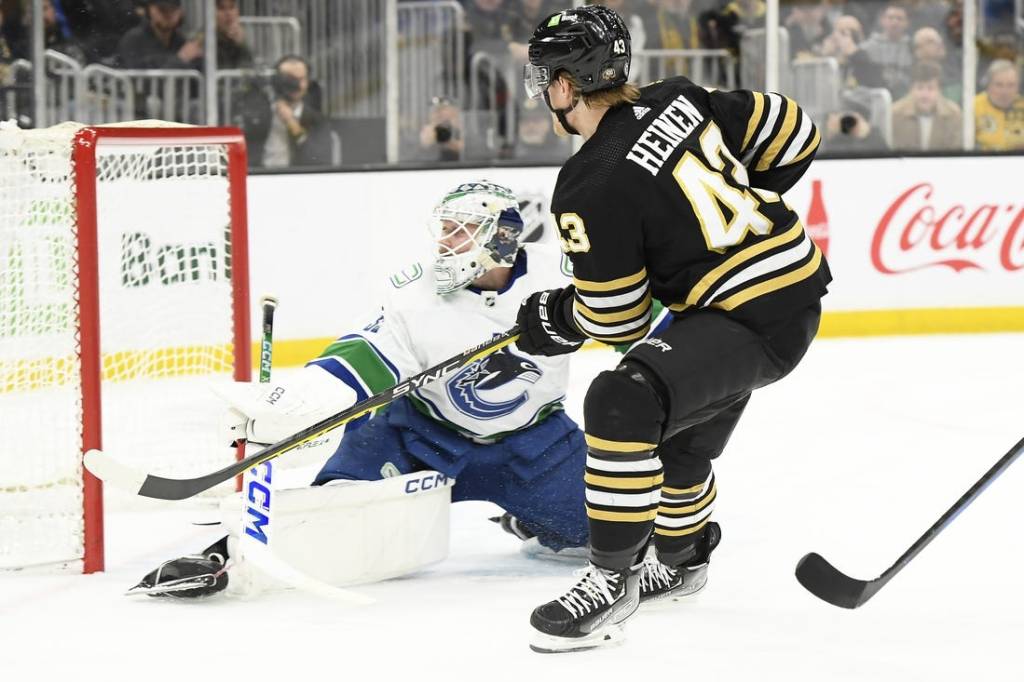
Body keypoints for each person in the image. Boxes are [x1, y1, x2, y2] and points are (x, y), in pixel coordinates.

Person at [519, 4, 830, 653]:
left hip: (748, 316)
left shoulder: (588, 182)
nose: (544, 91)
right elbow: (794, 130)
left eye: (546, 78)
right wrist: (747, 206)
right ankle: (681, 563)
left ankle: (612, 580)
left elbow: (616, 318)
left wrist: (554, 317)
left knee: (621, 400)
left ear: (567, 86)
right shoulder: (679, 98)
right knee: (676, 432)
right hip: (787, 291)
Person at [133, 181, 590, 598]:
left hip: (537, 445)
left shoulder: (564, 275)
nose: (444, 243)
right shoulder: (416, 292)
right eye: (445, 230)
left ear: (502, 236)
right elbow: (365, 352)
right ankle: (223, 555)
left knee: (606, 529)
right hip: (420, 438)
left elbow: (630, 313)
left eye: (460, 231)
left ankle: (530, 517)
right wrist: (295, 401)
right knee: (336, 509)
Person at [247, 54, 332, 167]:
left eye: (300, 79)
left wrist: (292, 123)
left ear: (307, 82)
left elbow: (319, 159)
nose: (295, 85)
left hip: (298, 180)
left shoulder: (317, 120)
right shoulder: (257, 115)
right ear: (276, 81)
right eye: (289, 79)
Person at [891, 60, 962, 151]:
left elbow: (955, 153)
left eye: (930, 88)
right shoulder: (895, 113)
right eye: (920, 88)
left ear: (939, 91)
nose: (925, 95)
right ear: (911, 89)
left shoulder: (953, 114)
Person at [974, 59, 1024, 151]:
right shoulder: (974, 106)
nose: (1005, 91)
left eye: (1011, 85)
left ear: (1018, 87)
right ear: (988, 85)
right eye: (999, 85)